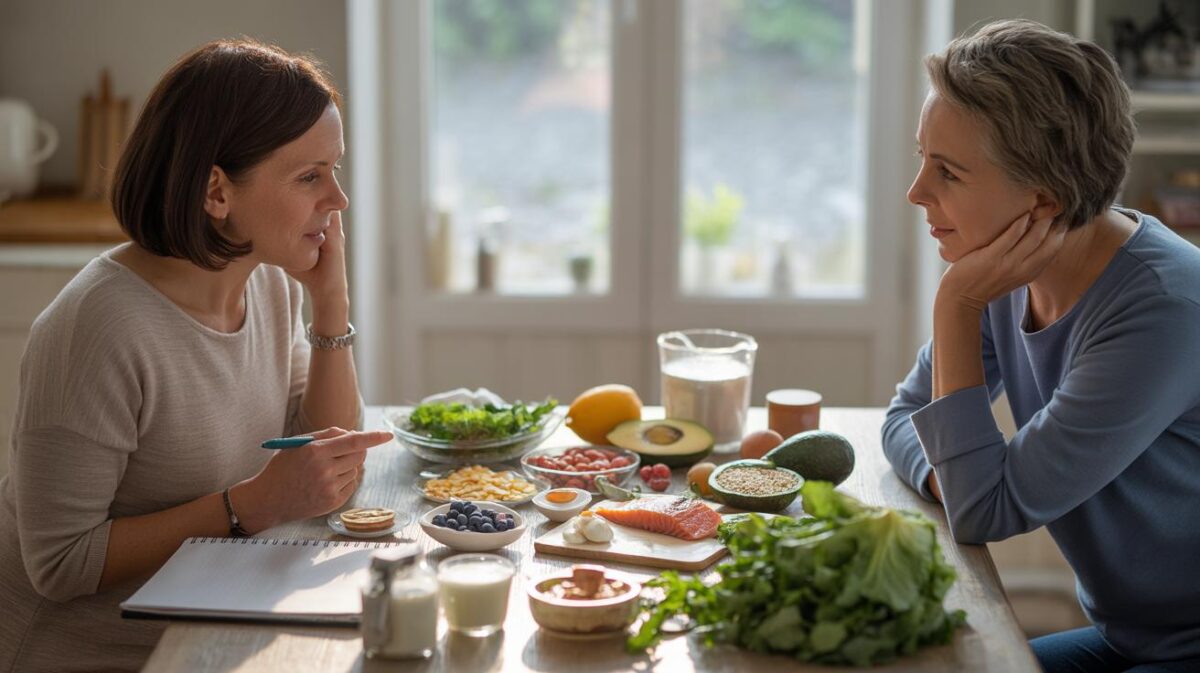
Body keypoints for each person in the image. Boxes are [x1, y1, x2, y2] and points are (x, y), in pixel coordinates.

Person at [0, 39, 392, 672]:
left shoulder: (261, 281)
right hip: (83, 653)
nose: (338, 200)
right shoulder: (97, 328)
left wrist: (332, 305)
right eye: (310, 176)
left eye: (335, 169)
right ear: (216, 192)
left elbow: (328, 459)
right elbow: (59, 563)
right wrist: (252, 505)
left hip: (207, 628)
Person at [882, 20, 1200, 673]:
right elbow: (904, 419)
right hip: (1131, 637)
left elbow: (986, 509)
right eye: (922, 158)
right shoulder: (1009, 270)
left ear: (1043, 200)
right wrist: (956, 475)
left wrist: (954, 303)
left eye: (947, 172)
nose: (917, 192)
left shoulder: (1162, 313)